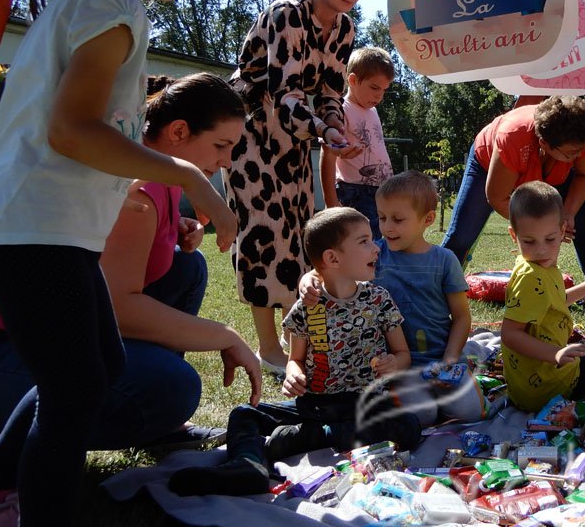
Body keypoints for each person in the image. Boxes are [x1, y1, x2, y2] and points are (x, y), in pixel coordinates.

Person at [0, 0, 241, 527]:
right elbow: (70, 129)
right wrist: (187, 176)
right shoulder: (108, 3)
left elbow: (66, 135)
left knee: (90, 369)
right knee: (75, 391)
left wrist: (134, 184)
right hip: (32, 232)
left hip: (32, 227)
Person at [0, 73, 261, 453]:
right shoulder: (139, 188)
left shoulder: (154, 175)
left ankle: (153, 423)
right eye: (221, 146)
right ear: (178, 131)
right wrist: (224, 334)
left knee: (186, 267)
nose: (226, 161)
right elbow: (118, 307)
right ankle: (9, 441)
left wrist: (171, 227)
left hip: (43, 327)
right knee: (170, 386)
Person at [168, 207, 420, 497]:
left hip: (366, 404)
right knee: (244, 414)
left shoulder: (379, 300)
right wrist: (293, 376)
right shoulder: (307, 308)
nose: (376, 246)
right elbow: (295, 360)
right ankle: (247, 466)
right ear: (332, 258)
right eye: (363, 241)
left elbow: (403, 355)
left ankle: (316, 437)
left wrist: (394, 362)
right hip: (314, 405)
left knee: (409, 425)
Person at [224, 0, 375, 375]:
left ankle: (295, 341)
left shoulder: (345, 29)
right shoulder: (287, 14)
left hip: (293, 135)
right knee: (261, 232)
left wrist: (333, 126)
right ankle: (267, 346)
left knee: (296, 234)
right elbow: (284, 91)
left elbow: (328, 92)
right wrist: (325, 133)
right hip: (251, 130)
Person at [301, 171, 484, 426]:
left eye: (398, 219)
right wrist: (309, 279)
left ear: (427, 219)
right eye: (382, 217)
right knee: (421, 417)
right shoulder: (375, 253)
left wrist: (450, 359)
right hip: (396, 364)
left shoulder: (444, 260)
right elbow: (334, 265)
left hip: (441, 359)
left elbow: (462, 317)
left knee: (471, 413)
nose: (387, 227)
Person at [442, 96, 585, 322]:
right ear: (544, 143)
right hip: (488, 163)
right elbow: (497, 197)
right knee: (462, 235)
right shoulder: (513, 137)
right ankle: (433, 301)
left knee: (584, 225)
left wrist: (568, 214)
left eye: (580, 150)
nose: (578, 156)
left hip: (549, 164)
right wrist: (536, 229)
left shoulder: (580, 137)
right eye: (571, 154)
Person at [500, 181, 585, 413]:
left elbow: (553, 301)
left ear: (562, 231)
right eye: (529, 241)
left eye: (550, 239)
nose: (541, 250)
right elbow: (510, 334)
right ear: (513, 235)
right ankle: (581, 407)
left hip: (531, 385)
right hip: (547, 386)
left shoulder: (537, 267)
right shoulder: (531, 276)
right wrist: (556, 353)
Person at [320, 46, 395, 239]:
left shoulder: (373, 111)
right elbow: (328, 154)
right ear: (353, 80)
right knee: (364, 246)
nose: (379, 96)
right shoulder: (340, 110)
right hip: (355, 192)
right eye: (374, 88)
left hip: (381, 191)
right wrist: (331, 203)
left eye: (384, 90)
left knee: (382, 245)